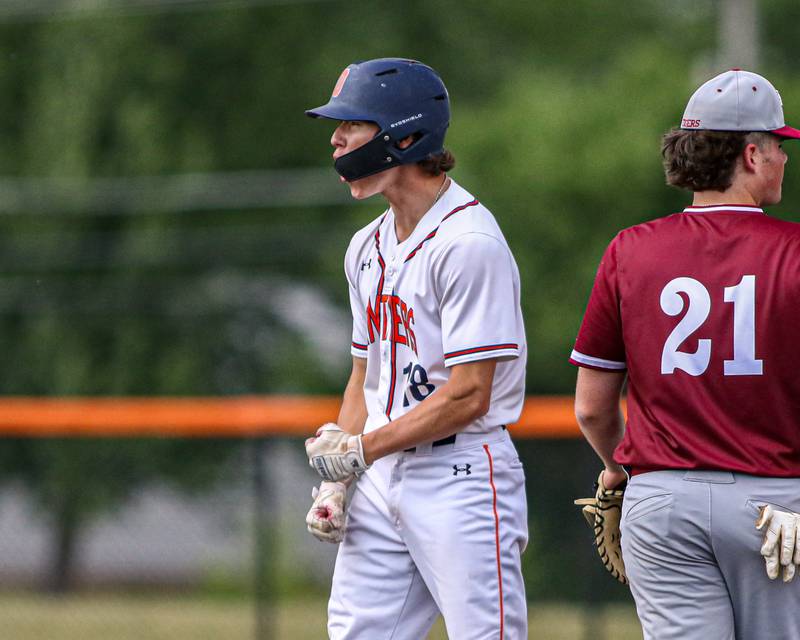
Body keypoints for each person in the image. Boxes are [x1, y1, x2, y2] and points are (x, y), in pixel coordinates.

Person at [302, 58, 529, 639]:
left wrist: (362, 449)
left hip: (461, 474)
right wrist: (338, 480)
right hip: (381, 477)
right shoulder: (366, 246)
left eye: (351, 124)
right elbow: (364, 376)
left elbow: (470, 395)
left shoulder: (468, 242)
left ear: (404, 134)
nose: (336, 139)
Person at [570, 68, 800, 640]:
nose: (784, 160)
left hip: (662, 501)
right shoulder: (794, 252)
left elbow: (593, 408)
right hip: (778, 500)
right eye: (778, 147)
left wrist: (619, 473)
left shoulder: (631, 249)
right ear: (751, 154)